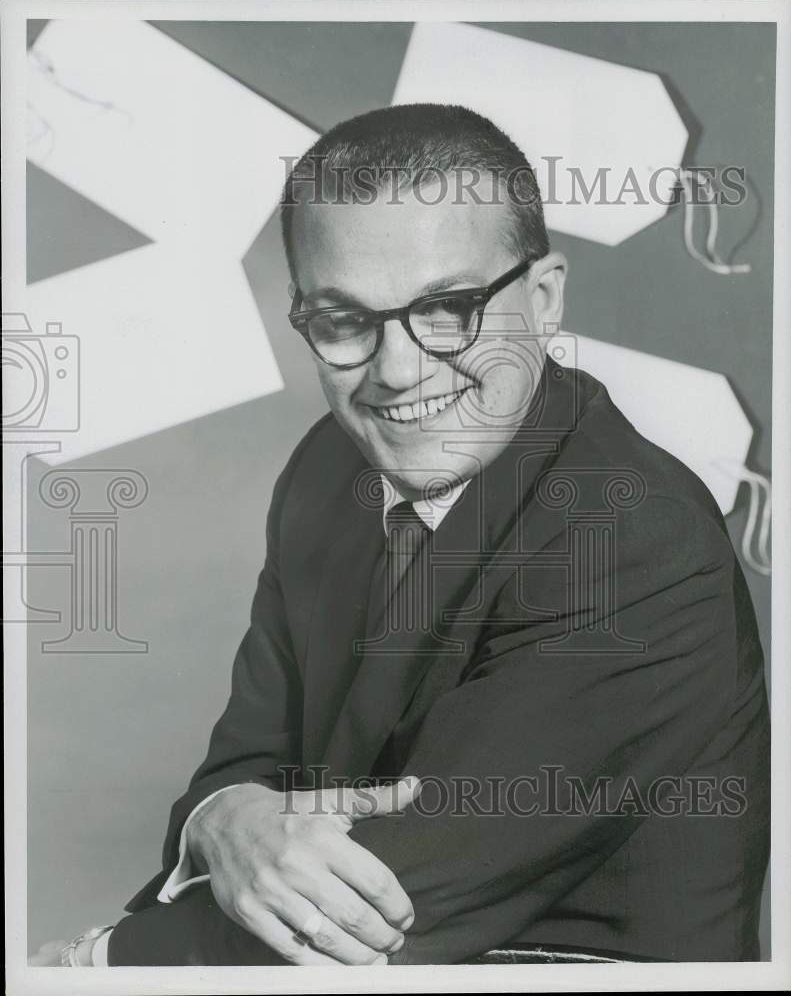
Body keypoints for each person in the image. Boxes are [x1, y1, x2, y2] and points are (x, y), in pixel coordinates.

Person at [37, 103, 769, 967]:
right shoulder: (326, 471)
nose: (395, 371)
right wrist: (226, 819)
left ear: (541, 301)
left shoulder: (633, 538)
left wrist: (90, 967)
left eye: (449, 308)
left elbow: (377, 911)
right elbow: (251, 761)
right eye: (343, 319)